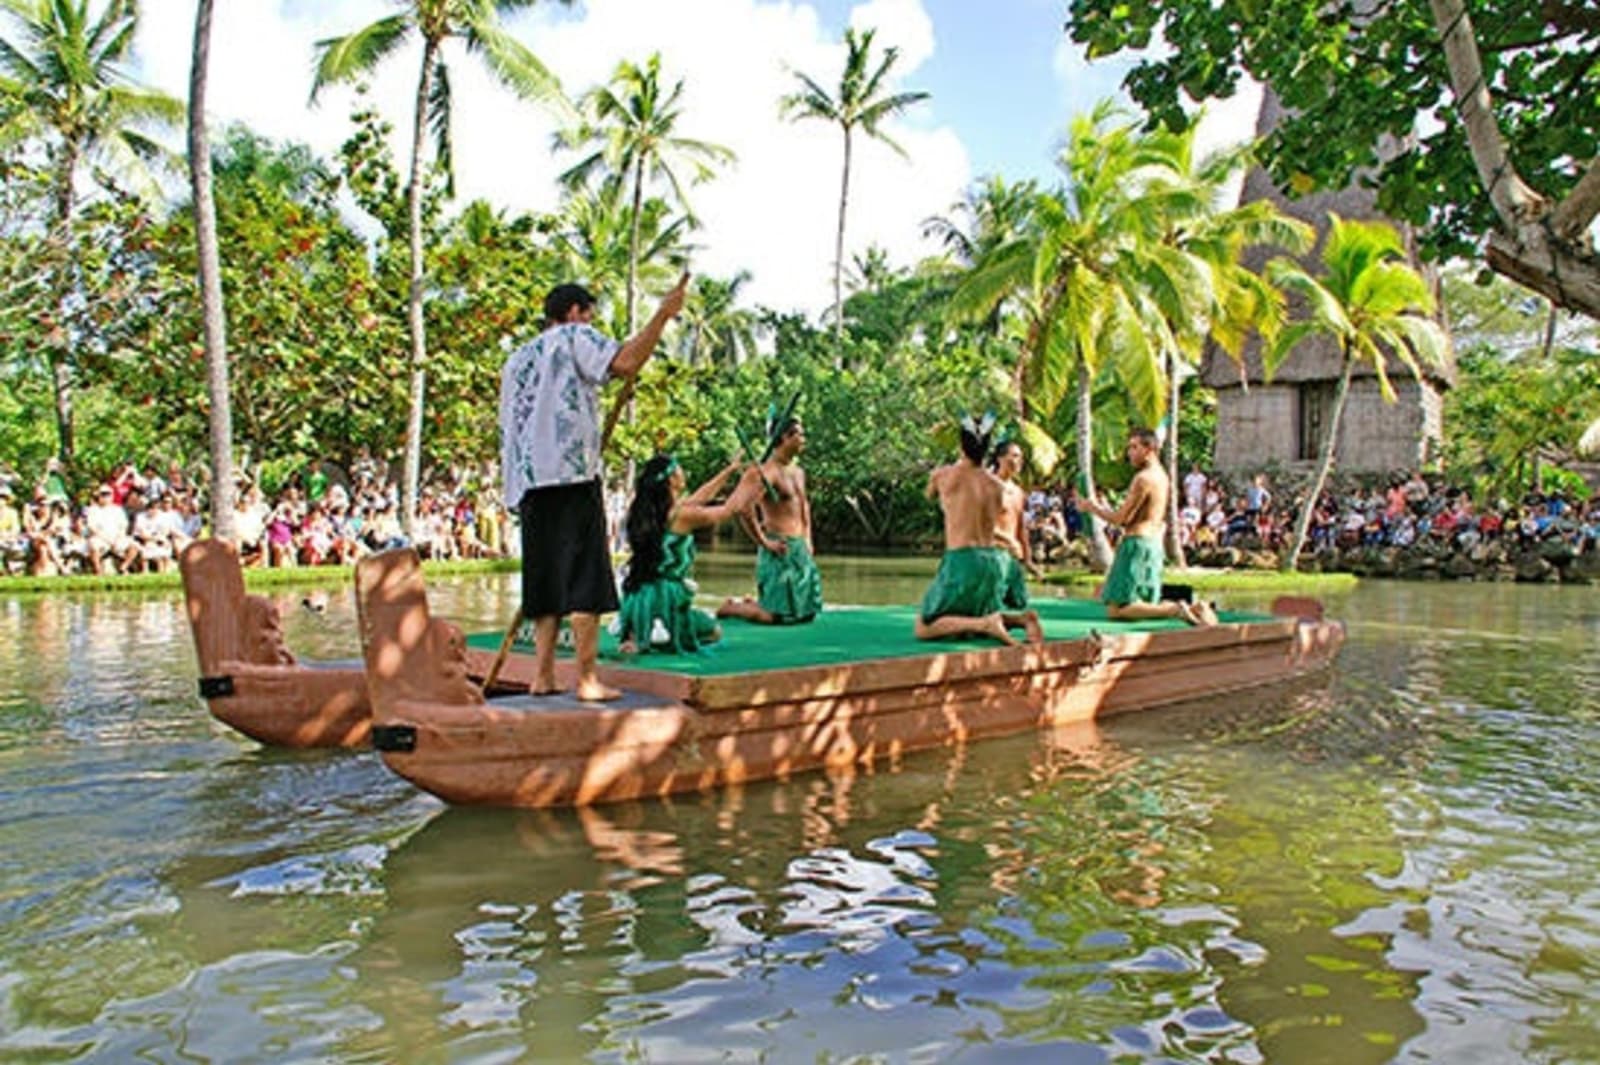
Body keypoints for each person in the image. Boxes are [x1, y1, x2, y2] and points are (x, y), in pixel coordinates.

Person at [499, 274, 689, 701]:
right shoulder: (572, 336)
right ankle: (585, 679)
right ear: (573, 313)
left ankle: (542, 675)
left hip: (529, 481)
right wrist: (662, 315)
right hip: (569, 474)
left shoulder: (517, 358)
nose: (589, 321)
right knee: (585, 575)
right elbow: (624, 362)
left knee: (544, 579)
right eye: (588, 314)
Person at [914, 415, 1043, 645]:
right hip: (992, 562)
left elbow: (927, 494)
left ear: (961, 445)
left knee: (924, 627)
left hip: (962, 559)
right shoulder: (996, 486)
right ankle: (1021, 619)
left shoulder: (944, 476)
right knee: (966, 619)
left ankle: (986, 624)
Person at [617, 454, 759, 654]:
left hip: (639, 596)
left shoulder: (649, 512)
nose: (682, 471)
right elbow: (728, 510)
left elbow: (702, 497)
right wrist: (749, 481)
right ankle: (660, 632)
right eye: (679, 468)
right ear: (671, 479)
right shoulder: (682, 515)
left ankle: (640, 631)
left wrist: (730, 470)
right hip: (666, 597)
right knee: (714, 631)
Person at [1080, 428, 1217, 626]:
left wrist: (1091, 507)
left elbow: (1120, 519)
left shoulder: (1143, 478)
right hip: (1153, 545)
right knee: (1140, 603)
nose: (1130, 453)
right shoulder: (1163, 477)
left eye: (1135, 447)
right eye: (1130, 448)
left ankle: (1175, 609)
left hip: (1136, 544)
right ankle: (1196, 609)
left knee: (1116, 609)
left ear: (1150, 448)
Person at [718, 418, 823, 625]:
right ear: (784, 437)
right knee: (777, 617)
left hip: (799, 547)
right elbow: (744, 509)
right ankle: (731, 607)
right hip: (778, 546)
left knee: (807, 614)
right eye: (799, 435)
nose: (804, 439)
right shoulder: (765, 473)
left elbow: (804, 505)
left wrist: (808, 538)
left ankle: (754, 601)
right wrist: (764, 542)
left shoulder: (798, 472)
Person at [989, 438, 1037, 607]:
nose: (1018, 461)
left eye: (1020, 458)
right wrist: (1007, 540)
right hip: (992, 553)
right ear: (999, 458)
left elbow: (1020, 527)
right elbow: (979, 523)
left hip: (1012, 557)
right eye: (1014, 456)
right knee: (991, 605)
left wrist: (1028, 558)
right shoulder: (988, 486)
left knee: (1019, 603)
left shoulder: (1018, 492)